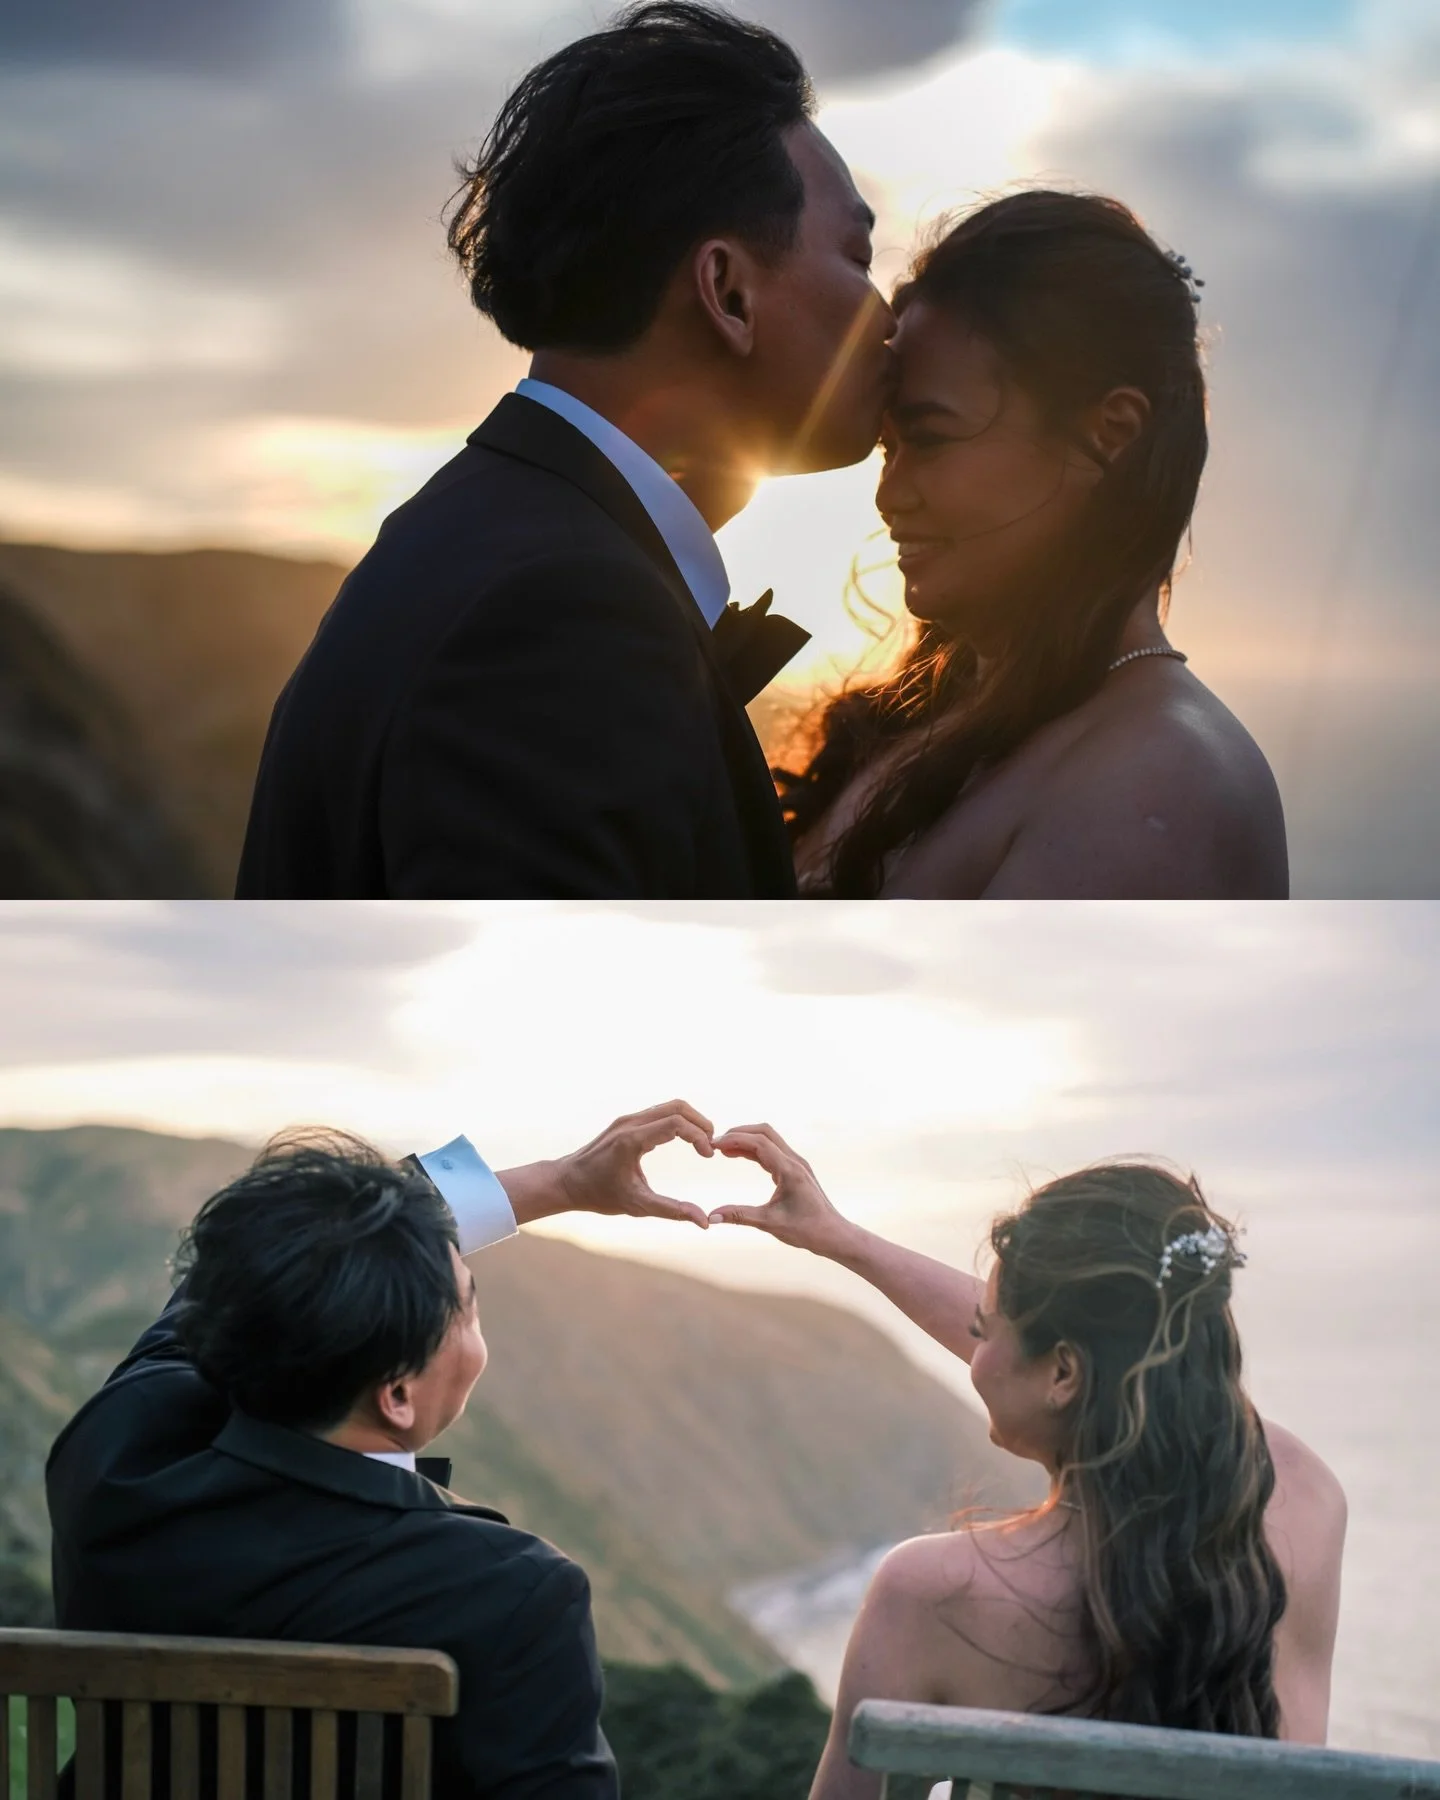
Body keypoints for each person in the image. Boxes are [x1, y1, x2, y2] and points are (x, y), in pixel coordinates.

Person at [236, 1, 893, 899]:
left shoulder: (485, 536)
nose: (887, 315)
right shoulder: (566, 612)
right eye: (858, 257)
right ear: (729, 291)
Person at [47, 1100, 717, 1800]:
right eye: (470, 1311)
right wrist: (565, 1182)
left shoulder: (115, 1455)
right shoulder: (509, 1593)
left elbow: (254, 1265)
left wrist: (563, 1179)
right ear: (396, 1394)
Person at [705, 1126, 1347, 1797]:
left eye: (984, 1331)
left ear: (1064, 1371)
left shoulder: (932, 1594)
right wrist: (847, 1240)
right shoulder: (1309, 1500)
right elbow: (1118, 1363)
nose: (975, 1355)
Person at [782, 190, 1290, 898]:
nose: (889, 495)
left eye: (930, 438)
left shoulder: (1159, 783)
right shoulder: (943, 722)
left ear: (1107, 435)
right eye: (887, 449)